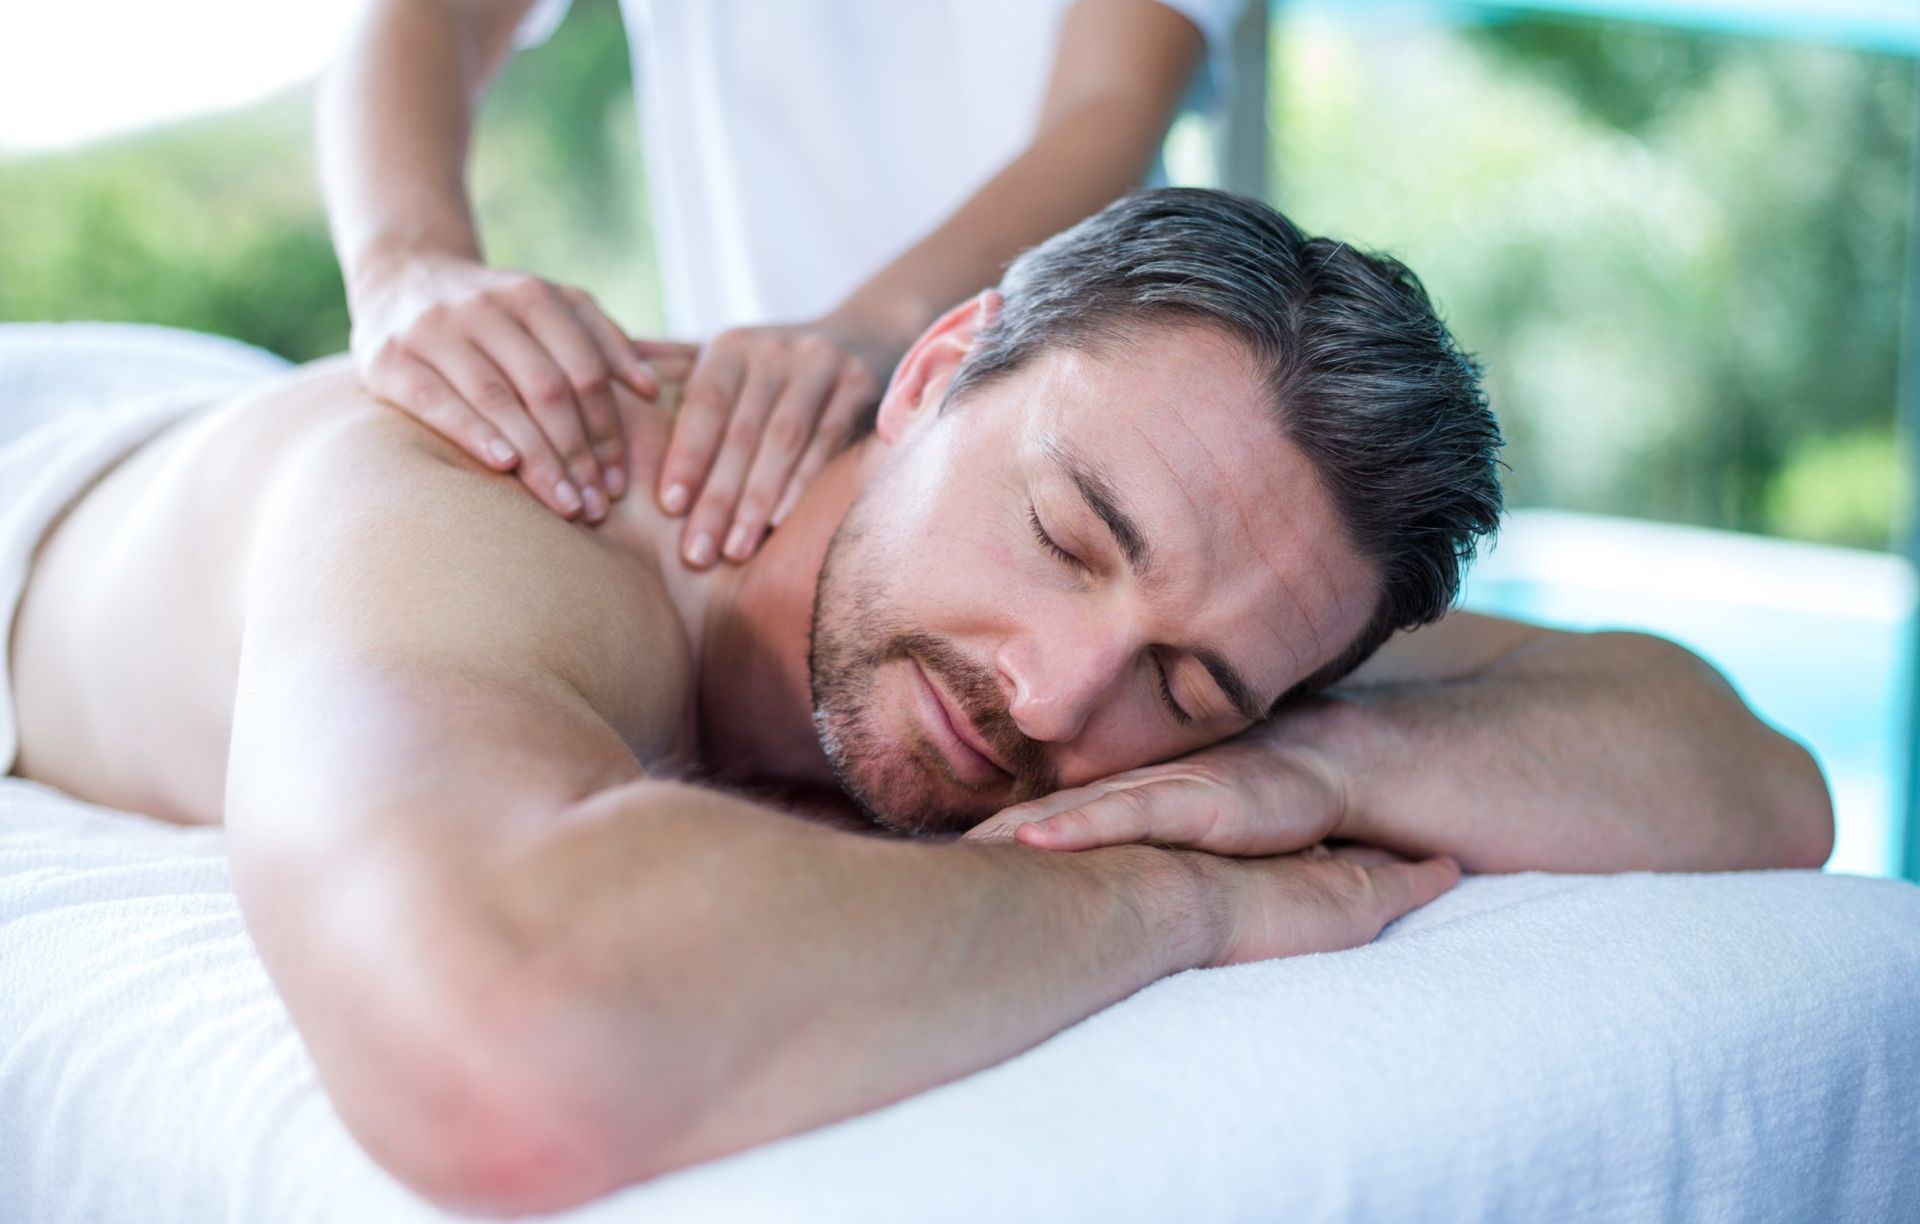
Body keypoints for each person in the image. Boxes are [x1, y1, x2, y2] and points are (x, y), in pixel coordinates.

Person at [3, 192, 1830, 1215]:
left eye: (1189, 685)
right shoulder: (495, 512)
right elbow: (506, 1041)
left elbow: (1754, 777)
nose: (1053, 690)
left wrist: (1307, 757)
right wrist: (1168, 894)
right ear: (938, 367)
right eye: (1062, 533)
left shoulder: (1211, 599)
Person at [320, 0, 1243, 570]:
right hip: (752, 440)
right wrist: (406, 261)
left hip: (1060, 423)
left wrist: (884, 325)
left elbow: (1106, 107)